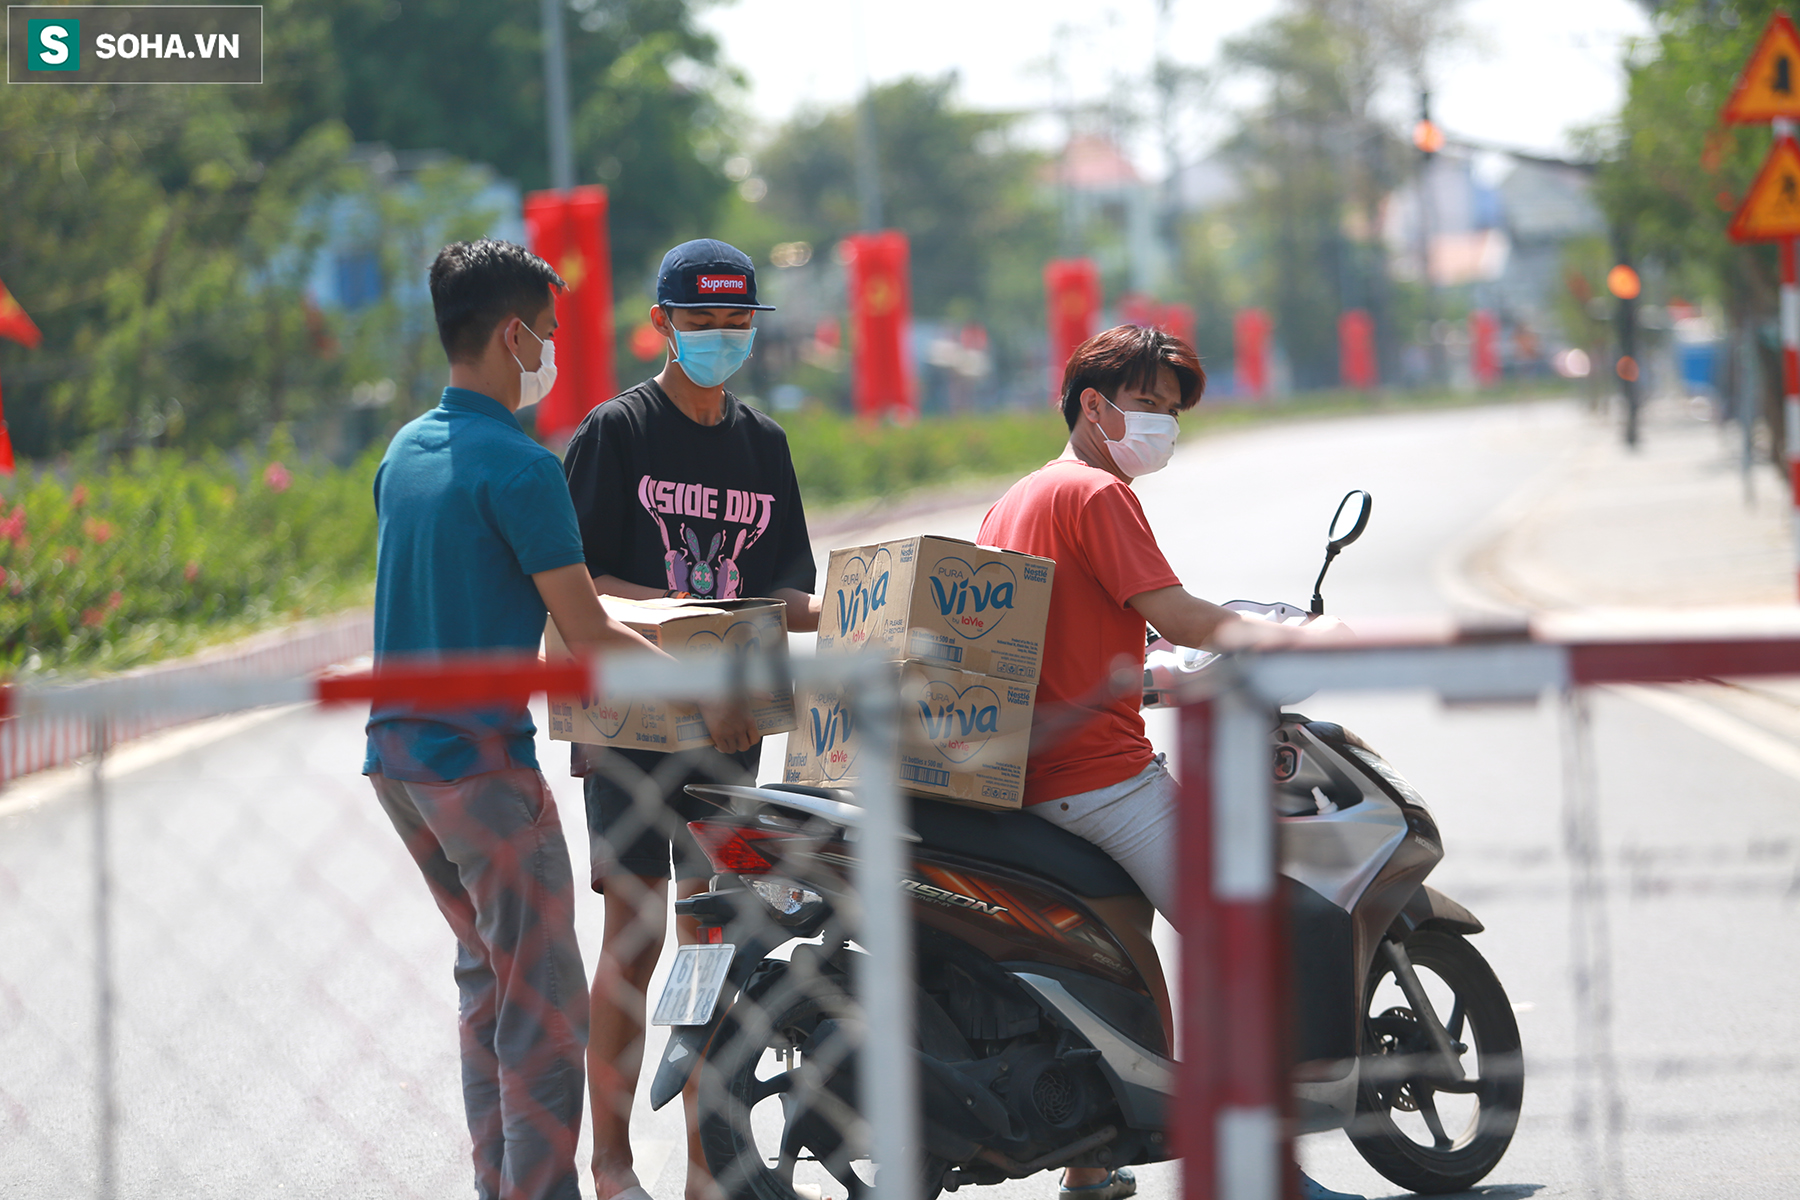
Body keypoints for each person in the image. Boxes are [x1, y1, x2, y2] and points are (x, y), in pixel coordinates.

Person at [977, 324, 1360, 1200]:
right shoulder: (1098, 496)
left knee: (1125, 962)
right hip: (1100, 782)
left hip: (1027, 782)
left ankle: (1093, 1162)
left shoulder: (1016, 500)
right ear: (1092, 405)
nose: (1162, 427)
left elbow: (1059, 641)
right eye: (1146, 406)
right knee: (1255, 948)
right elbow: (1185, 617)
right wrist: (1290, 636)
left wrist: (1143, 679)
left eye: (1172, 412)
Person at [363, 239, 708, 1200]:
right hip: (481, 774)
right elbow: (589, 633)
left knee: (489, 989)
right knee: (545, 1007)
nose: (553, 355)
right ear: (514, 334)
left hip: (399, 771)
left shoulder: (405, 453)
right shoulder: (522, 469)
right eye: (549, 335)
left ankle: (498, 1186)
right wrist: (703, 688)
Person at [561, 238, 819, 1200]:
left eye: (737, 320)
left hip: (730, 731)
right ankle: (613, 1162)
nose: (720, 335)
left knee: (717, 938)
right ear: (663, 324)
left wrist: (867, 608)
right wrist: (692, 625)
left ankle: (707, 1168)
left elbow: (785, 591)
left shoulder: (764, 446)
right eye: (701, 319)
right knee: (632, 937)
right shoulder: (615, 435)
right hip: (632, 729)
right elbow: (578, 583)